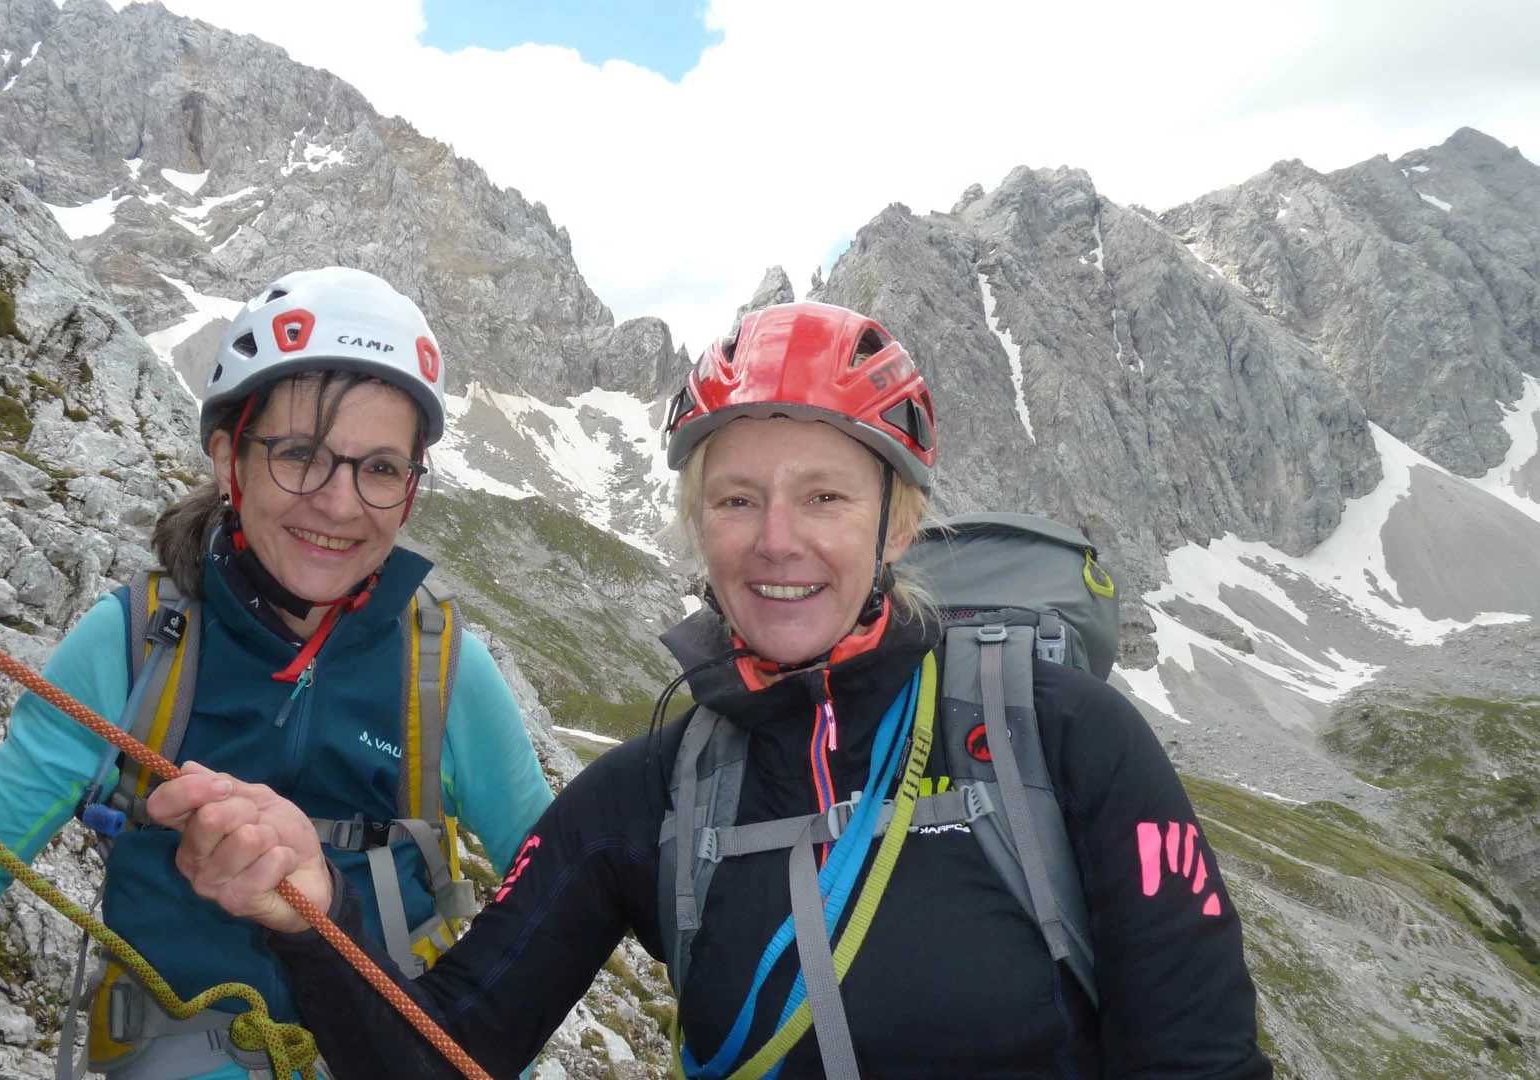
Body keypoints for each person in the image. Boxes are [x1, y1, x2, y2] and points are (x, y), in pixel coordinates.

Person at [147, 301, 1275, 1078]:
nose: (776, 543)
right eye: (736, 501)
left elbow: (1201, 1060)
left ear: (900, 522)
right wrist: (311, 912)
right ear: (695, 523)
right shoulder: (652, 796)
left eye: (824, 498)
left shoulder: (1064, 735)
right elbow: (447, 1053)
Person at [0, 267, 554, 1079]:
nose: (341, 504)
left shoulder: (443, 672)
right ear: (228, 459)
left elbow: (558, 899)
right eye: (300, 454)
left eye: (380, 469)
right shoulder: (134, 648)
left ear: (410, 489)